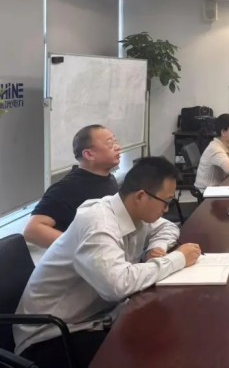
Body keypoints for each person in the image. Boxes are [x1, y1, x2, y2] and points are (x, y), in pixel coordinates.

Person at [14, 157, 202, 368]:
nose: (166, 210)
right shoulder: (98, 223)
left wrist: (155, 249)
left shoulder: (133, 212)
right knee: (149, 354)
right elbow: (117, 286)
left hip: (94, 319)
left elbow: (167, 228)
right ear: (141, 196)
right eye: (166, 202)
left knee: (168, 334)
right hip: (52, 335)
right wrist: (177, 258)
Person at [23, 125, 121, 248]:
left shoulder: (108, 178)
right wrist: (83, 248)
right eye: (110, 144)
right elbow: (32, 230)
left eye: (115, 142)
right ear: (89, 154)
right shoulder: (66, 188)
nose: (118, 147)